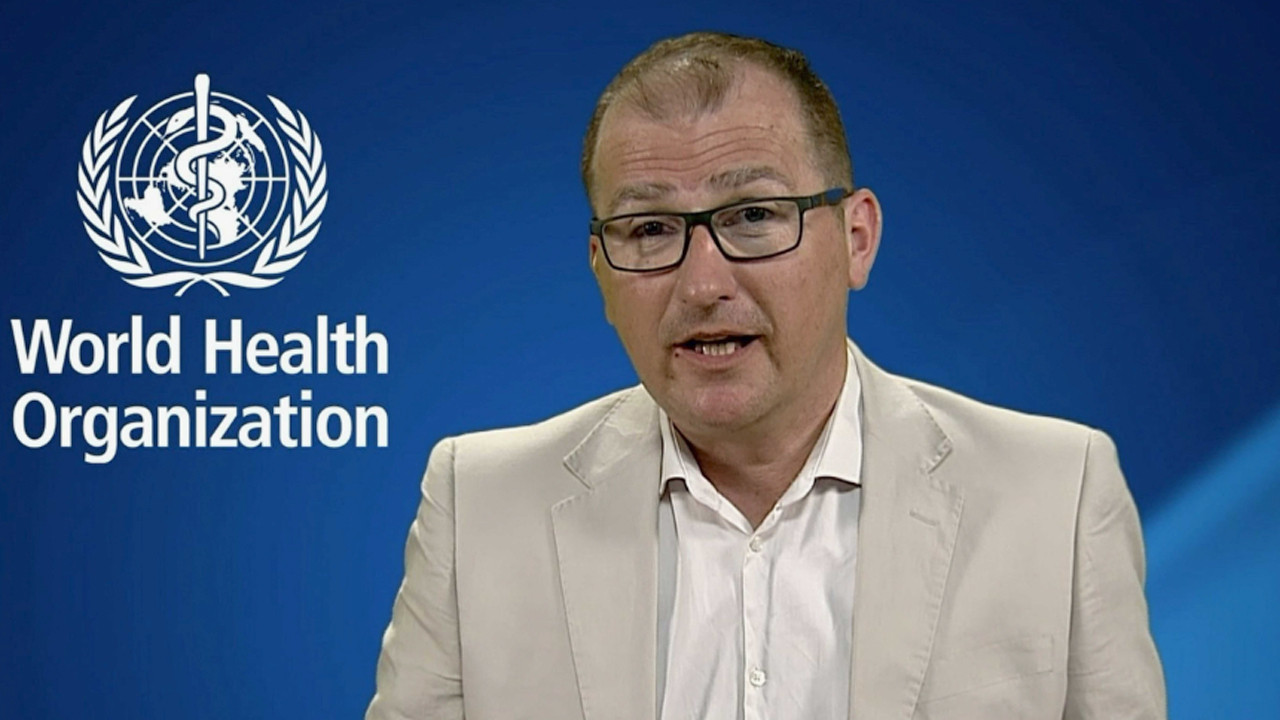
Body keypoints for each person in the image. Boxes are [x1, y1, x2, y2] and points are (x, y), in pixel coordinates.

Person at [366, 31, 1166, 720]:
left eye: (753, 215)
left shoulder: (1055, 495)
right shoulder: (479, 506)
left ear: (856, 239)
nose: (702, 283)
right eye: (649, 228)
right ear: (601, 271)